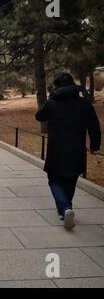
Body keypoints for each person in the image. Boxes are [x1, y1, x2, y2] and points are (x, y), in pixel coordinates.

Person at [35, 73, 101, 230]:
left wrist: (49, 102)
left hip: (56, 149)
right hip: (76, 149)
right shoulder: (84, 104)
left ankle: (65, 209)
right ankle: (65, 209)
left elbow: (39, 116)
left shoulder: (52, 103)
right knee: (71, 179)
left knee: (54, 179)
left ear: (57, 87)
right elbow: (94, 126)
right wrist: (94, 146)